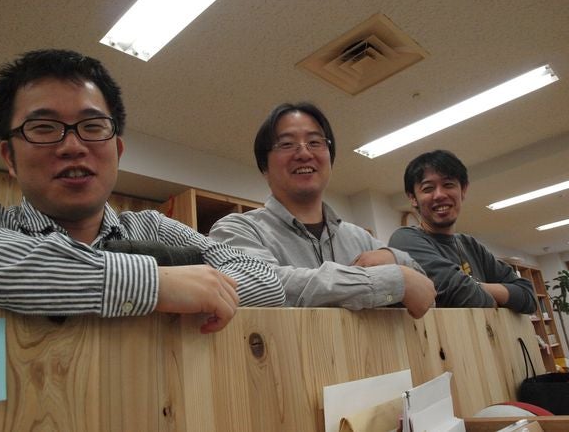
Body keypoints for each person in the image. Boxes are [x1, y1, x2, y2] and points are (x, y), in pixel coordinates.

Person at [0, 49, 285, 333]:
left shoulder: (154, 228)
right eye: (44, 128)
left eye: (92, 126)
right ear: (9, 158)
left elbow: (265, 279)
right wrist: (152, 284)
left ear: (118, 151)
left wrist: (206, 288)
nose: (73, 146)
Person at [209, 102, 436, 318]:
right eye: (286, 144)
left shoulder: (360, 238)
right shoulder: (237, 229)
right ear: (264, 167)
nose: (304, 153)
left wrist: (393, 257)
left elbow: (424, 291)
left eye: (315, 142)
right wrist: (391, 282)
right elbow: (257, 286)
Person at [388, 150, 536, 313]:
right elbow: (461, 295)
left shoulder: (471, 246)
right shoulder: (405, 240)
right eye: (428, 188)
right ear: (413, 198)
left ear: (463, 190)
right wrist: (498, 300)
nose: (439, 195)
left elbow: (528, 297)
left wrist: (475, 287)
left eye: (448, 185)